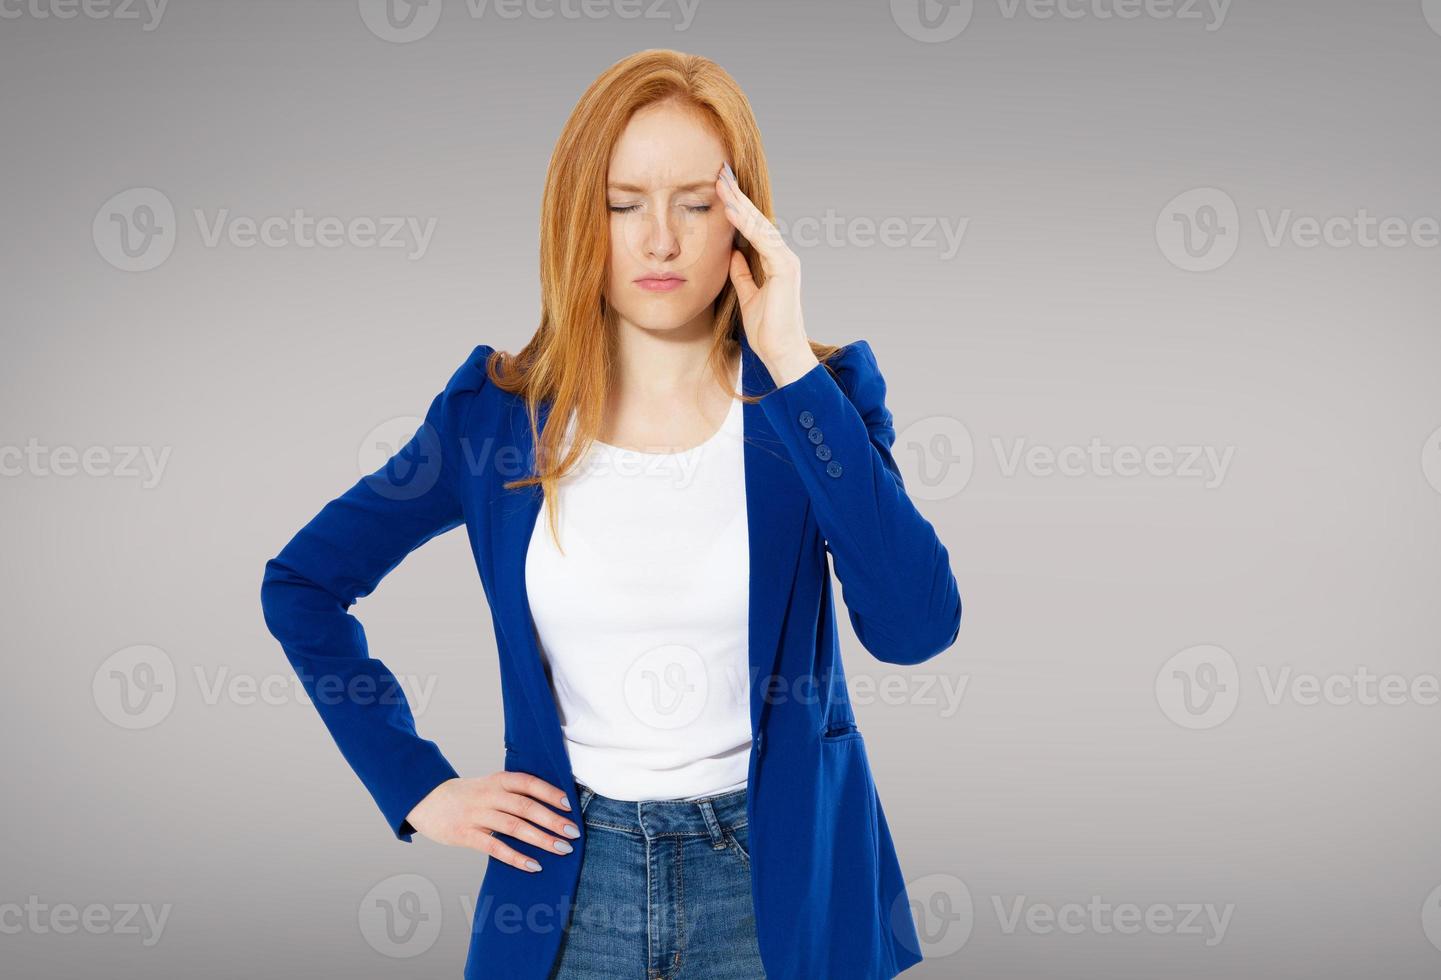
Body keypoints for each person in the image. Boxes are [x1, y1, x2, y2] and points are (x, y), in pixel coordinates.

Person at [260, 48, 962, 980]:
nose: (660, 241)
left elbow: (916, 630)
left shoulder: (816, 401)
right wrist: (416, 785)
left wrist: (789, 362)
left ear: (744, 220)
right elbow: (302, 584)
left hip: (779, 886)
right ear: (575, 221)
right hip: (567, 882)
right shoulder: (493, 418)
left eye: (696, 203)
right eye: (624, 203)